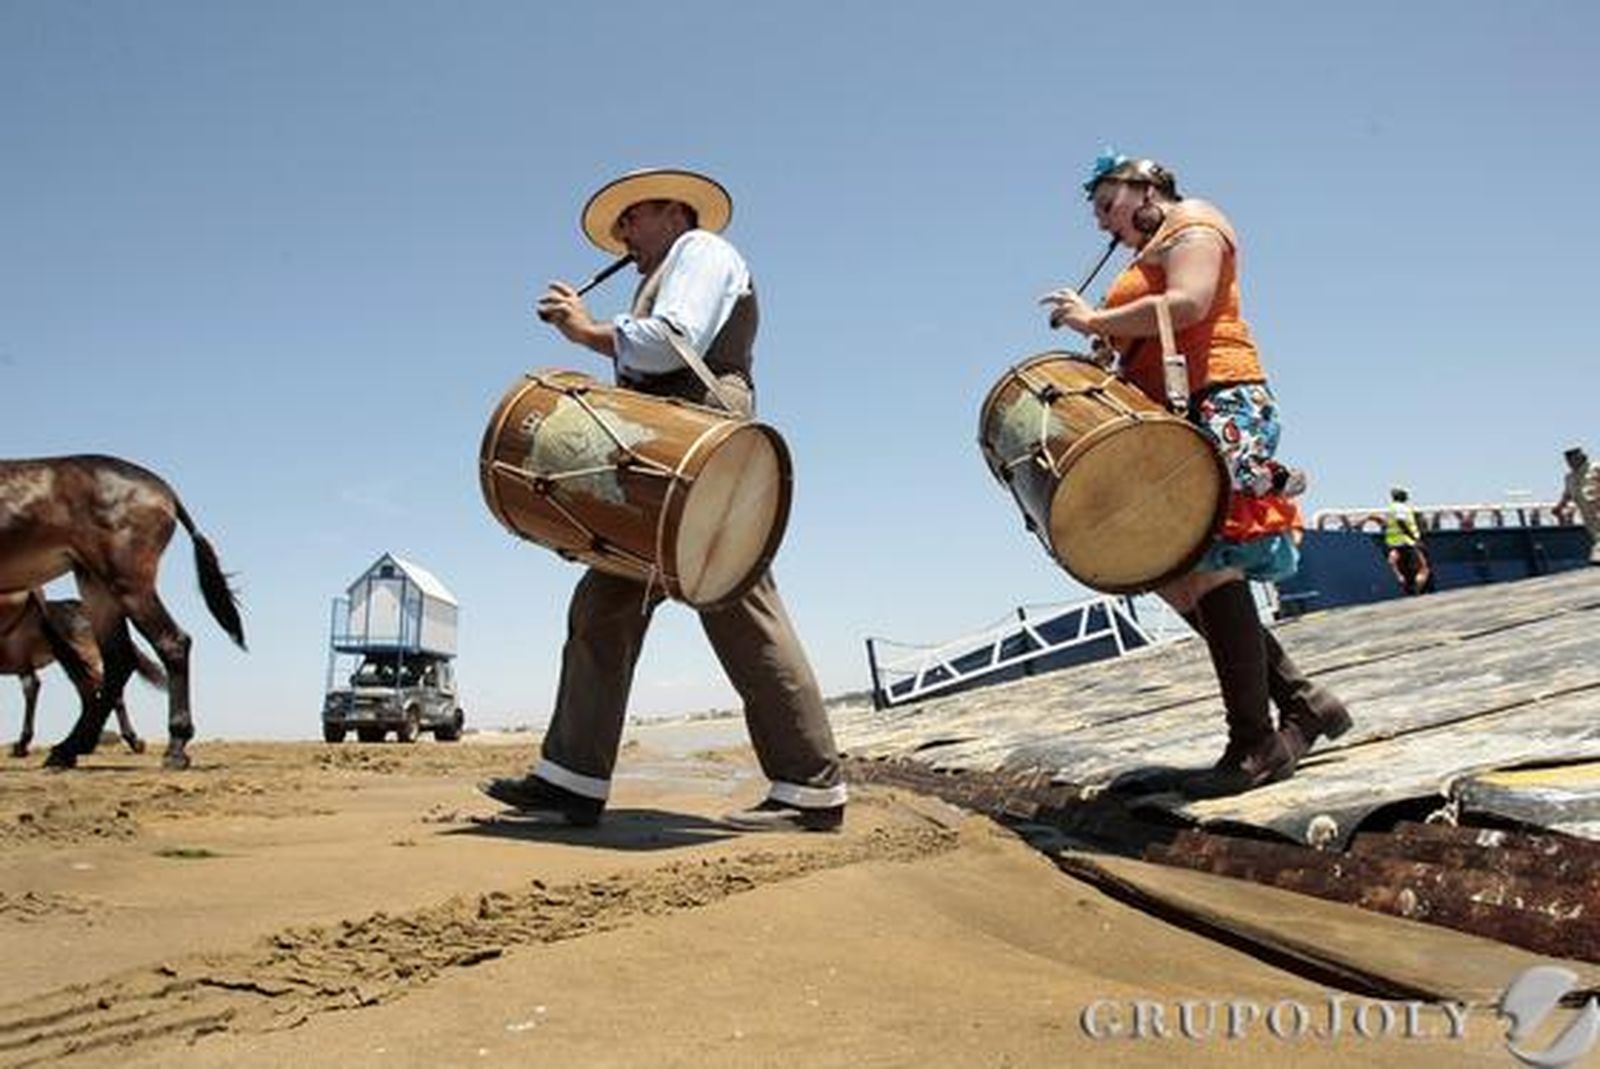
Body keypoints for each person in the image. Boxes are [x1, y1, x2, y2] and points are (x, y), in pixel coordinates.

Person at [481, 168, 847, 832]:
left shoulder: (703, 253)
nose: (623, 236)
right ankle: (571, 781)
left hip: (704, 443)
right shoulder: (666, 265)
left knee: (740, 605)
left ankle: (811, 788)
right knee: (604, 603)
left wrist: (587, 333)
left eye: (632, 219)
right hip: (667, 453)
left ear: (676, 214)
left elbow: (670, 340)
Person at [1040, 151, 1350, 798]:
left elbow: (1190, 302)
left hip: (1221, 398)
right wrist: (1112, 344)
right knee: (1175, 572)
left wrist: (1095, 319)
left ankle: (1255, 741)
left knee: (1208, 563)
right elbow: (1156, 321)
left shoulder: (1196, 222)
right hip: (1174, 412)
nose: (1102, 223)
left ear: (1145, 184)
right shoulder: (1148, 244)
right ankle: (1302, 699)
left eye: (1107, 205)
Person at [1384, 486, 1433, 594]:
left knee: (1393, 563)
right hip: (1407, 542)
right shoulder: (1401, 507)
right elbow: (1401, 523)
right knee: (1423, 568)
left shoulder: (1391, 508)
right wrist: (1413, 538)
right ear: (1402, 496)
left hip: (1393, 542)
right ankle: (1415, 589)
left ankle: (1401, 580)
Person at [1557, 447, 1600, 565]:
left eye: (1571, 460)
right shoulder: (1569, 477)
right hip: (1587, 514)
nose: (1569, 463)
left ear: (1580, 458)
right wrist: (1559, 507)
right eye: (1568, 461)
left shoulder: (1596, 468)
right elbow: (1567, 495)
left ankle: (1597, 556)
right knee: (1596, 535)